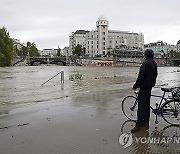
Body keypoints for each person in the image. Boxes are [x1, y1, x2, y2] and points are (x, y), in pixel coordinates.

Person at [131, 49, 158, 133]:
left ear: (145, 55)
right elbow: (156, 74)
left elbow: (141, 76)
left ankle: (138, 125)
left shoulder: (145, 63)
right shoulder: (154, 63)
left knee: (141, 106)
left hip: (144, 87)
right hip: (149, 86)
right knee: (147, 105)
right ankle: (146, 122)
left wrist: (136, 85)